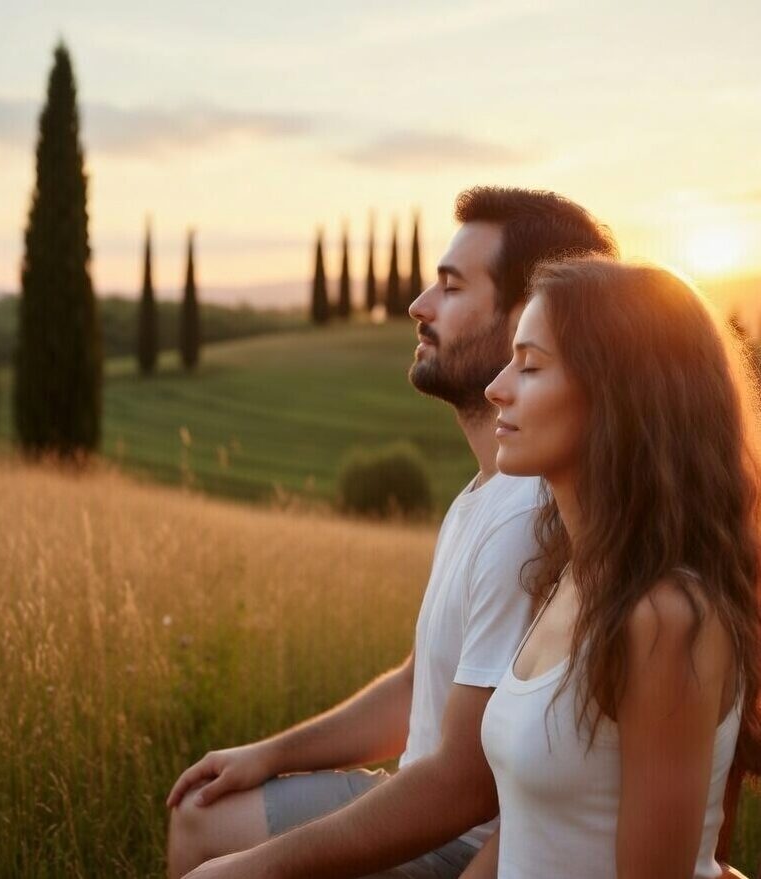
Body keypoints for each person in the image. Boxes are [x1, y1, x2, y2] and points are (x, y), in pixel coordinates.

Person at [166, 187, 618, 879]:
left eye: (450, 286)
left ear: (528, 317)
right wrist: (271, 753)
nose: (417, 305)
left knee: (213, 847)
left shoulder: (524, 520)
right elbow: (418, 689)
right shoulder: (483, 493)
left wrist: (261, 865)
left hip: (465, 844)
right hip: (439, 814)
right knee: (203, 809)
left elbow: (464, 787)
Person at [465, 258, 761, 878]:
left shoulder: (665, 617)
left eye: (532, 364)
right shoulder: (571, 576)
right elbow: (534, 830)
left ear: (619, 394)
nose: (497, 387)